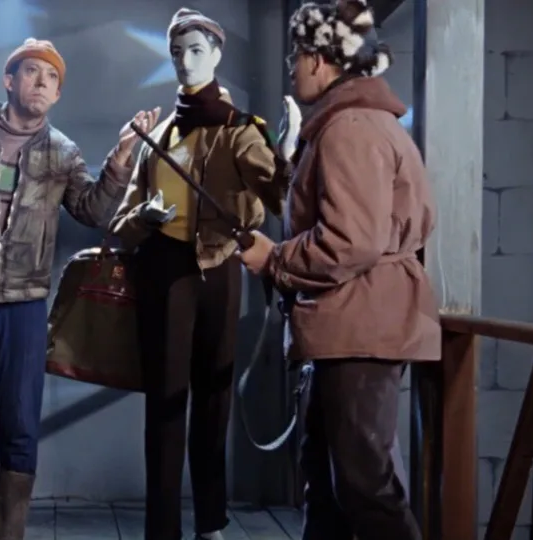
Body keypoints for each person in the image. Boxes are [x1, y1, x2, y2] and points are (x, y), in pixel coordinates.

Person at [0, 37, 158, 540]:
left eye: (52, 78)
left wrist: (121, 157)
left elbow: (92, 210)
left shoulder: (62, 152)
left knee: (20, 425)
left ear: (58, 94)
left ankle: (9, 533)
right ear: (9, 80)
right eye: (32, 72)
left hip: (24, 306)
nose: (42, 83)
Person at [236, 1, 440, 539]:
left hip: (361, 327)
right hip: (351, 325)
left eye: (296, 56)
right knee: (328, 486)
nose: (291, 67)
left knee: (365, 487)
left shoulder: (350, 128)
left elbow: (352, 240)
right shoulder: (350, 123)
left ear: (321, 60)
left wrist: (274, 259)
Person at [109, 8, 299, 540]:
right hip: (164, 271)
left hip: (218, 269)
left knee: (214, 399)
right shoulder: (160, 134)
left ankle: (211, 523)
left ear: (216, 54)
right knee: (165, 403)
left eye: (196, 50)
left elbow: (278, 197)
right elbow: (120, 222)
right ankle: (162, 529)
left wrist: (286, 155)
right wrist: (142, 218)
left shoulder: (239, 131)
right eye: (177, 52)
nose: (185, 62)